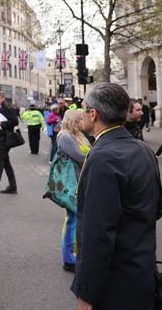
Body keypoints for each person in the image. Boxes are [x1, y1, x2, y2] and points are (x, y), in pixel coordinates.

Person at [72, 83, 158, 310]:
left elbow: (98, 233)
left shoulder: (103, 157)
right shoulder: (143, 149)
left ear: (93, 113)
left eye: (83, 108)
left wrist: (86, 295)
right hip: (142, 271)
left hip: (115, 284)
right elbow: (155, 208)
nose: (81, 113)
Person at [55, 109, 91, 273]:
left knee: (78, 220)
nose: (83, 122)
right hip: (72, 184)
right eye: (81, 119)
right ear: (74, 121)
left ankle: (76, 255)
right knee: (72, 221)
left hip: (80, 182)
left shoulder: (78, 135)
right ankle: (69, 259)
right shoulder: (65, 137)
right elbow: (80, 157)